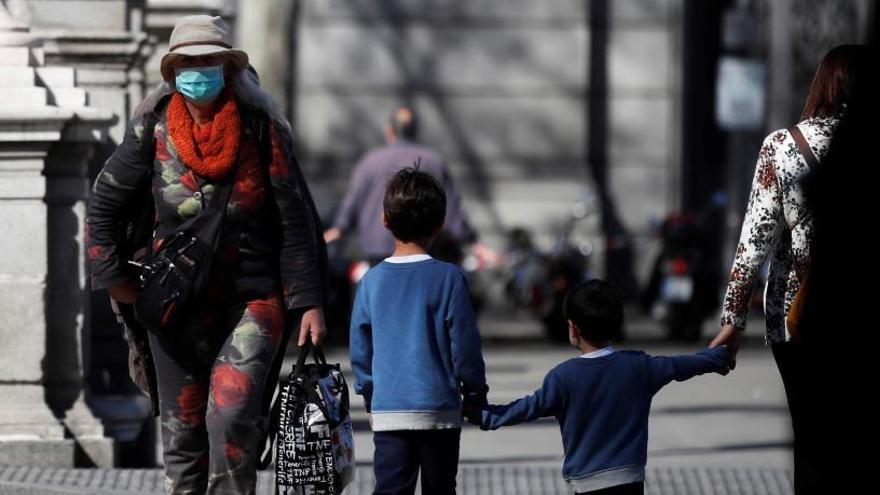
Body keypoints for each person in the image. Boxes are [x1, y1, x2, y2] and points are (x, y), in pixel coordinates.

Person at [85, 15, 327, 493]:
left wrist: (310, 300)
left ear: (228, 67)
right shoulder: (151, 129)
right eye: (189, 62)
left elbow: (293, 217)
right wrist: (113, 276)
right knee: (183, 431)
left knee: (233, 417)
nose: (199, 69)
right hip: (172, 304)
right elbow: (104, 201)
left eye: (209, 60)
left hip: (252, 298)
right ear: (173, 70)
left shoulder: (262, 129)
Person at [710, 44, 868, 494]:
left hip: (800, 316)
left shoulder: (783, 146)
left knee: (812, 436)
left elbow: (754, 240)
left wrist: (732, 320)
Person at [472, 280, 727, 495]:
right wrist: (722, 354)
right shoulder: (639, 366)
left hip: (586, 484)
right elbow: (685, 365)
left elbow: (527, 408)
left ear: (573, 328)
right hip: (630, 481)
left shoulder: (563, 377)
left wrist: (483, 414)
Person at [349, 167, 488, 495]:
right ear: (440, 224)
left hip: (389, 412)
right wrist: (475, 393)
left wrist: (370, 397)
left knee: (391, 489)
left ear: (384, 219)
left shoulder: (371, 281)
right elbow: (465, 346)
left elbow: (360, 350)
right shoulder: (450, 278)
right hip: (439, 410)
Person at [324, 105, 496, 265]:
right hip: (421, 253)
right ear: (415, 131)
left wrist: (337, 229)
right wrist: (474, 244)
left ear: (389, 130)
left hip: (376, 251)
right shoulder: (433, 161)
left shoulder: (369, 162)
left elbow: (351, 204)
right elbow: (453, 211)